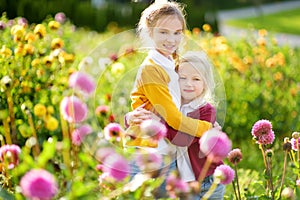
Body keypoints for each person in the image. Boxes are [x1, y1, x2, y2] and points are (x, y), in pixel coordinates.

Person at [123, 0, 212, 198]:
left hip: (165, 147)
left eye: (177, 32)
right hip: (150, 153)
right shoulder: (152, 69)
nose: (171, 39)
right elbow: (172, 117)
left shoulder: (171, 62)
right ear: (149, 31)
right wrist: (208, 129)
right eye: (163, 32)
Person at [127, 51, 226, 199]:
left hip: (208, 180)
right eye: (182, 78)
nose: (188, 84)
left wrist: (158, 124)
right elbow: (145, 113)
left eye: (196, 79)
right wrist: (130, 118)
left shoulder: (206, 110)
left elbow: (182, 139)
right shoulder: (170, 105)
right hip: (184, 183)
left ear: (205, 83)